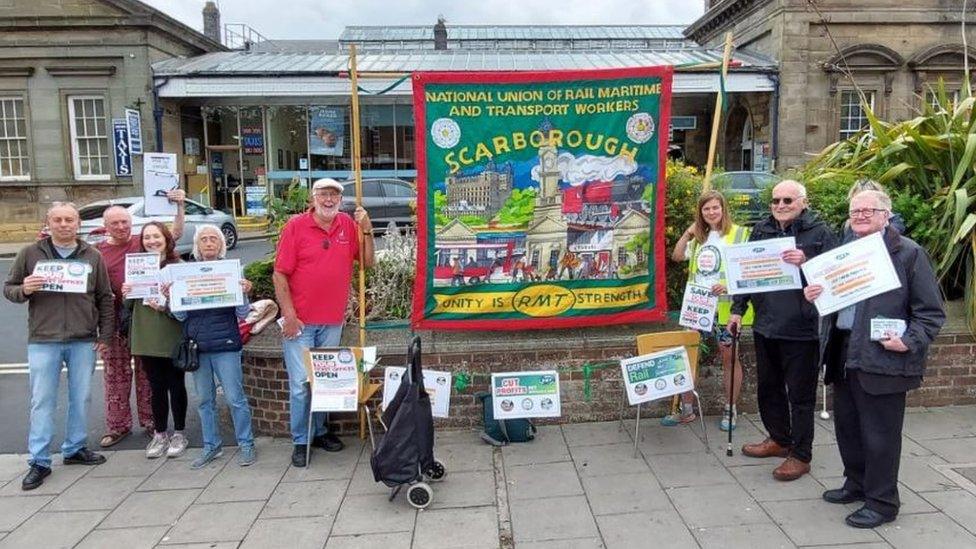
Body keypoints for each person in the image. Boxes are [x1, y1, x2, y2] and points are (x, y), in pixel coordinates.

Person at [805, 189, 944, 528]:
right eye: (856, 210)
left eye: (870, 210)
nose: (861, 215)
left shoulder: (909, 254)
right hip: (843, 351)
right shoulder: (843, 251)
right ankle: (856, 484)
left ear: (886, 215)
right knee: (848, 428)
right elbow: (835, 303)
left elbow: (931, 312)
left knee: (880, 435)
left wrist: (909, 341)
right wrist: (815, 294)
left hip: (884, 356)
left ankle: (882, 503)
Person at [728, 180, 837, 481]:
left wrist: (807, 262)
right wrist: (738, 309)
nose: (780, 206)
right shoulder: (762, 230)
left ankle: (801, 455)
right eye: (776, 201)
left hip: (801, 329)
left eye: (788, 200)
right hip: (766, 325)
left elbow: (835, 275)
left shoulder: (821, 233)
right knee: (769, 387)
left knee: (800, 396)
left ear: (803, 202)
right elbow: (747, 274)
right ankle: (779, 438)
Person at [4, 202, 113, 490]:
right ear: (48, 223)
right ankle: (39, 461)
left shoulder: (92, 255)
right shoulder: (30, 253)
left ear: (78, 224)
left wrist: (105, 337)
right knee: (42, 401)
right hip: (44, 339)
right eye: (58, 220)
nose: (64, 224)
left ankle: (74, 448)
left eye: (69, 220)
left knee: (82, 397)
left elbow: (104, 298)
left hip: (83, 338)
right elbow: (10, 288)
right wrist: (24, 289)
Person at [274, 178, 375, 467]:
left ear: (340, 199)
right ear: (313, 197)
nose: (328, 199)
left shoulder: (347, 224)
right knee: (300, 384)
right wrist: (289, 316)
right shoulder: (296, 226)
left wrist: (367, 229)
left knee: (323, 383)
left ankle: (318, 431)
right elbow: (279, 274)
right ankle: (300, 440)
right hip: (300, 322)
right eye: (323, 194)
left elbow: (367, 263)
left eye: (334, 194)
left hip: (332, 320)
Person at [96, 190, 185, 447]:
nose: (121, 226)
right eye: (115, 223)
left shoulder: (141, 241)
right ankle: (118, 426)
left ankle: (152, 424)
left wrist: (179, 205)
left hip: (145, 322)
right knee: (116, 377)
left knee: (150, 379)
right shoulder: (99, 251)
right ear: (106, 227)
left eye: (125, 221)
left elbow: (173, 234)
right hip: (114, 321)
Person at [170, 224, 256, 469]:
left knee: (235, 398)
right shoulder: (186, 274)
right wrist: (173, 297)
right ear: (197, 246)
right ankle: (211, 446)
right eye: (204, 239)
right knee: (205, 400)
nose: (209, 243)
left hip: (225, 345)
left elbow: (242, 313)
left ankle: (246, 444)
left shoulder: (232, 273)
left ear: (221, 245)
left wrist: (245, 293)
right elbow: (180, 317)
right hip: (198, 347)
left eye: (213, 239)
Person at [664, 190, 750, 430]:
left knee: (729, 357)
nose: (712, 212)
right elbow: (677, 256)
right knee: (688, 357)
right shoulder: (699, 237)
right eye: (706, 209)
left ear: (724, 208)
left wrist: (729, 284)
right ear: (700, 213)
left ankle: (730, 409)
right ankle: (687, 409)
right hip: (698, 306)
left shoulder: (740, 234)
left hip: (725, 308)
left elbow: (750, 269)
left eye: (715, 207)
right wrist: (688, 232)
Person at [121, 222, 187, 459]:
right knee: (155, 387)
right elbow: (128, 305)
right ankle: (160, 434)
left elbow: (187, 303)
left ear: (166, 239)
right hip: (146, 333)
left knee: (176, 385)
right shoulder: (136, 266)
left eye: (156, 236)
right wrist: (127, 292)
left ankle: (179, 433)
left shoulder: (178, 266)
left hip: (171, 332)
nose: (151, 241)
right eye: (147, 237)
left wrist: (169, 302)